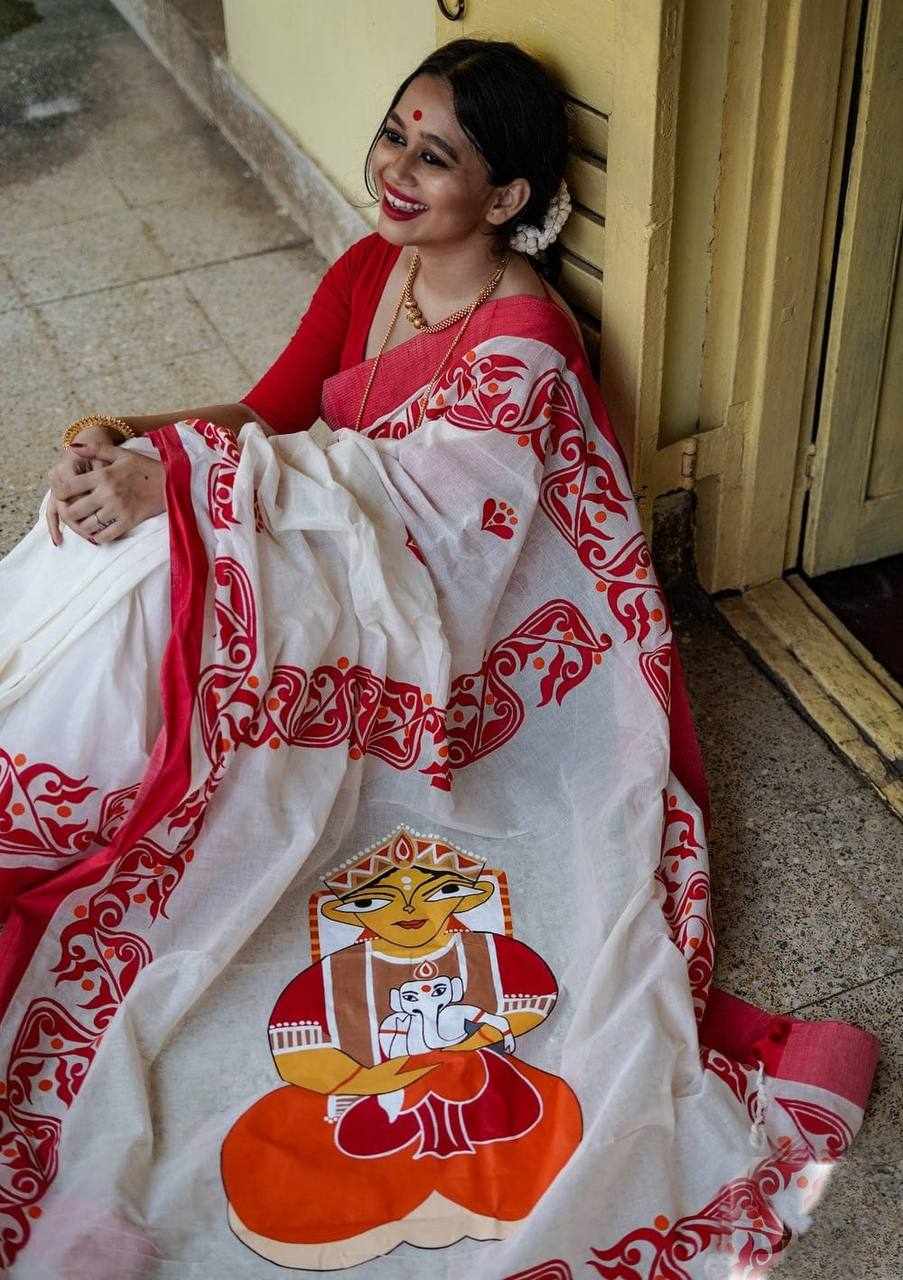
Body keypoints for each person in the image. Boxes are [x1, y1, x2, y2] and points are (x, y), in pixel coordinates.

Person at [0, 36, 879, 1280]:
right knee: (130, 531)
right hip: (334, 561)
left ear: (506, 196)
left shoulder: (528, 342)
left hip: (437, 639)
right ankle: (55, 782)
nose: (396, 170)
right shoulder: (377, 265)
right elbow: (272, 415)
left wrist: (192, 490)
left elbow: (450, 551)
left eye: (436, 156)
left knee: (164, 560)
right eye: (394, 134)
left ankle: (78, 796)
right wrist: (140, 440)